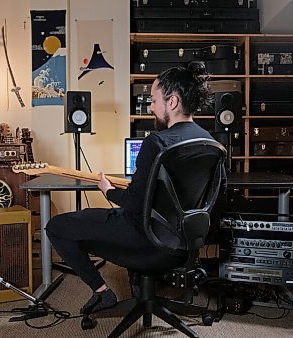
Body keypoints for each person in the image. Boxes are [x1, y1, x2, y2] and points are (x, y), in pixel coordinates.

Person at [46, 61, 226, 314]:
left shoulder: (157, 141)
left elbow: (133, 203)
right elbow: (216, 195)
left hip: (145, 238)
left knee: (57, 227)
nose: (150, 107)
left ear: (172, 102)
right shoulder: (211, 143)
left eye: (153, 100)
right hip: (183, 240)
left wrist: (107, 190)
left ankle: (102, 292)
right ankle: (139, 287)